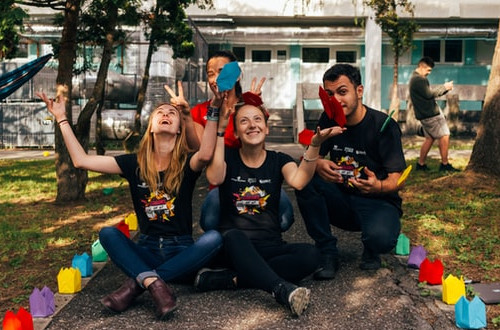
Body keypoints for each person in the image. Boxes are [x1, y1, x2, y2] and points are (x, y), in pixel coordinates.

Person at [37, 83, 223, 320]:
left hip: (182, 249)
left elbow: (206, 153)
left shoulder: (187, 163)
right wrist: (62, 119)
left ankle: (138, 283)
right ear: (151, 129)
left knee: (214, 239)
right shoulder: (133, 164)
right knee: (107, 234)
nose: (166, 115)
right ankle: (155, 281)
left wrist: (214, 107)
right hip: (146, 248)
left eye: (171, 114)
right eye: (160, 113)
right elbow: (81, 160)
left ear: (178, 129)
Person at [196, 98, 344, 316]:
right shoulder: (227, 157)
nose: (252, 125)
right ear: (236, 132)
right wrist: (219, 131)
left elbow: (299, 181)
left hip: (270, 247)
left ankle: (229, 279)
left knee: (312, 255)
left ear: (266, 128)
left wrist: (314, 145)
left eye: (257, 119)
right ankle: (280, 289)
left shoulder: (279, 160)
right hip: (234, 247)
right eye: (244, 121)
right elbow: (215, 178)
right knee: (233, 235)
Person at [295, 64, 407, 280]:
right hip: (342, 198)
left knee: (381, 239)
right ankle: (327, 251)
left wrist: (379, 186)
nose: (335, 100)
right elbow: (310, 155)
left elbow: (399, 179)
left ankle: (372, 247)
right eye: (329, 94)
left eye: (342, 92)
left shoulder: (383, 125)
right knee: (305, 178)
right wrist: (318, 164)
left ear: (359, 91)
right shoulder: (329, 119)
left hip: (378, 201)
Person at [186, 50, 294, 232]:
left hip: (258, 181)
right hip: (222, 183)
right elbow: (200, 153)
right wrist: (187, 119)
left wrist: (254, 106)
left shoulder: (250, 106)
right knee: (209, 222)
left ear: (236, 75)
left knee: (285, 218)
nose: (215, 78)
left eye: (221, 71)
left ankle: (261, 242)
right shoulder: (199, 111)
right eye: (210, 74)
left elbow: (259, 146)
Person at [408, 56, 459, 172]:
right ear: (421, 66)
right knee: (445, 135)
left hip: (424, 115)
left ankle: (421, 164)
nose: (429, 73)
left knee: (429, 138)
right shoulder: (419, 80)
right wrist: (445, 87)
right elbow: (429, 94)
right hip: (431, 115)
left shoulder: (414, 78)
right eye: (428, 70)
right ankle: (445, 165)